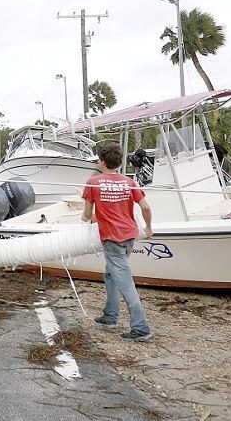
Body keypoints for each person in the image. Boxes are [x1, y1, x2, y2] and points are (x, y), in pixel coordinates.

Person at [82, 143, 154, 342]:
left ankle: (141, 327)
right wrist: (148, 228)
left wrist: (84, 219)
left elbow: (88, 215)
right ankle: (110, 316)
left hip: (112, 238)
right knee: (110, 274)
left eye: (99, 159)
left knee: (125, 283)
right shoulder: (129, 182)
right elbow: (145, 208)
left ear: (102, 162)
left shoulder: (93, 182)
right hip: (129, 236)